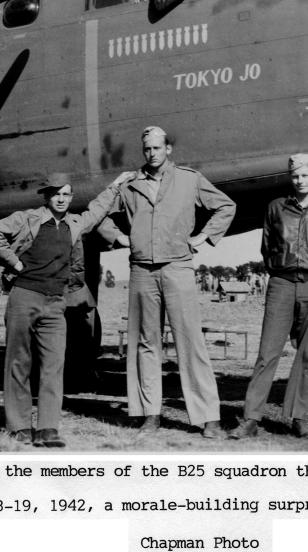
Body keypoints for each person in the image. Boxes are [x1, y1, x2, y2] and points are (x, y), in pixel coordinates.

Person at [0, 170, 136, 447]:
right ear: (46, 196)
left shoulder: (75, 224)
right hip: (24, 297)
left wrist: (115, 185)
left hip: (56, 303)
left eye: (66, 194)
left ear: (71, 197)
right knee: (19, 362)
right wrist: (13, 262)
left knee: (54, 365)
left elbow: (97, 210)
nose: (61, 199)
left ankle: (48, 428)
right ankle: (19, 426)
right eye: (56, 193)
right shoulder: (26, 219)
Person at [100, 126, 235, 438]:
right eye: (147, 149)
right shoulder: (131, 184)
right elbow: (102, 212)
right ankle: (150, 414)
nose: (152, 154)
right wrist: (120, 237)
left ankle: (208, 418)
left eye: (157, 148)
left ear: (168, 149)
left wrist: (203, 236)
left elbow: (226, 206)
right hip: (142, 272)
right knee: (146, 344)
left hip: (178, 268)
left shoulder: (190, 179)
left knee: (190, 342)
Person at [230, 154, 308, 440]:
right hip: (280, 285)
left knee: (306, 355)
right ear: (290, 178)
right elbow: (267, 249)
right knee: (267, 353)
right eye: (295, 176)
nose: (300, 180)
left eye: (305, 175)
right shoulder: (276, 208)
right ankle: (251, 419)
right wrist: (284, 272)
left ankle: (298, 418)